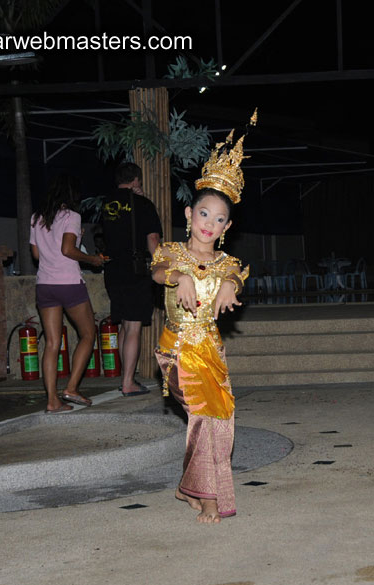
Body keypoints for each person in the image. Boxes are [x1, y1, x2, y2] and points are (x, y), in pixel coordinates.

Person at [150, 111, 254, 524]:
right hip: (176, 350)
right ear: (189, 214)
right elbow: (157, 273)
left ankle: (188, 486)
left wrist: (230, 284)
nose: (210, 223)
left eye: (220, 219)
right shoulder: (172, 253)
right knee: (203, 417)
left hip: (211, 351)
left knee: (221, 419)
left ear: (227, 226)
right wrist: (179, 277)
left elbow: (236, 277)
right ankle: (209, 497)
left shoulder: (228, 262)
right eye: (204, 214)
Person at [30, 175, 105, 413]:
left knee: (52, 343)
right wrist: (92, 259)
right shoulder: (72, 216)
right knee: (88, 334)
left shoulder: (36, 218)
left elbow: (36, 255)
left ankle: (52, 401)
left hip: (45, 284)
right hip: (69, 283)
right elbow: (68, 249)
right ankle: (71, 388)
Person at [101, 162, 162, 396]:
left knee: (125, 325)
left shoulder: (107, 203)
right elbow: (152, 239)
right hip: (135, 269)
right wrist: (162, 267)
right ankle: (128, 382)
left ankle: (126, 376)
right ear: (136, 180)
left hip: (112, 269)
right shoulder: (143, 204)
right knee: (134, 325)